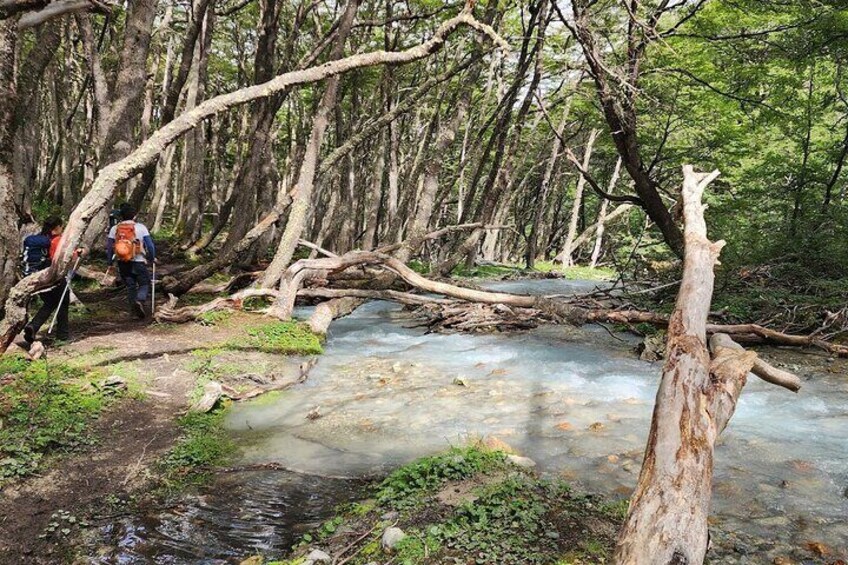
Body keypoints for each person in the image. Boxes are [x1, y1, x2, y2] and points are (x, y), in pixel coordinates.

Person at [22, 217, 71, 343]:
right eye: (61, 226)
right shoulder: (55, 240)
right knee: (63, 301)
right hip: (53, 277)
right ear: (57, 227)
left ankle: (33, 326)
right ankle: (62, 335)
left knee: (50, 302)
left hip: (36, 276)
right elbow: (58, 258)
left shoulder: (40, 238)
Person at [107, 203, 156, 319]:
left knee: (130, 286)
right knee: (144, 283)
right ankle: (140, 300)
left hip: (123, 261)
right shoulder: (141, 227)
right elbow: (150, 245)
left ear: (121, 216)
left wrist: (109, 262)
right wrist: (152, 257)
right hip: (138, 260)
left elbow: (109, 247)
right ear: (134, 215)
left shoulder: (115, 229)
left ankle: (134, 313)